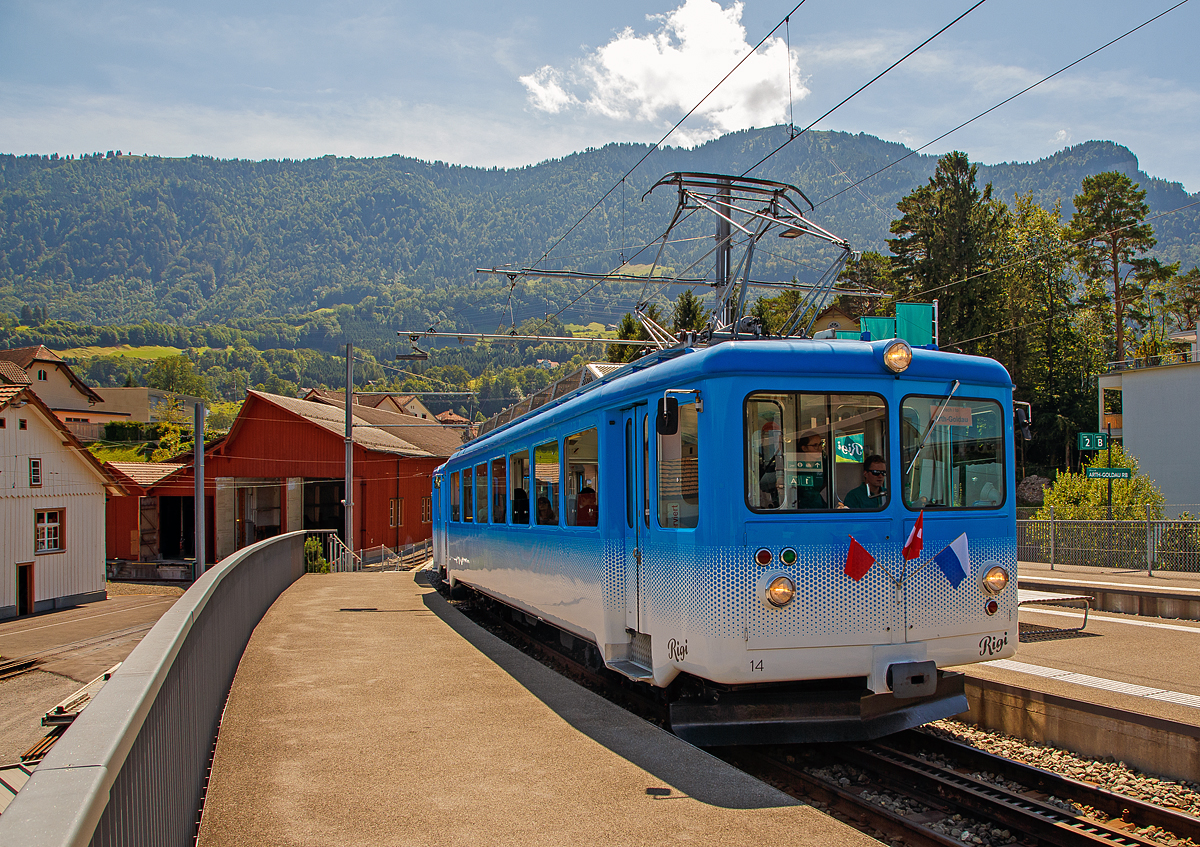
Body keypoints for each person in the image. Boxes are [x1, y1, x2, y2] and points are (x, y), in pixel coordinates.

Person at [793, 433, 827, 509]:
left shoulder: (825, 464)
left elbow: (825, 483)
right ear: (804, 448)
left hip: (818, 506)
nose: (819, 448)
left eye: (820, 444)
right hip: (797, 507)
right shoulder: (795, 464)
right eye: (815, 445)